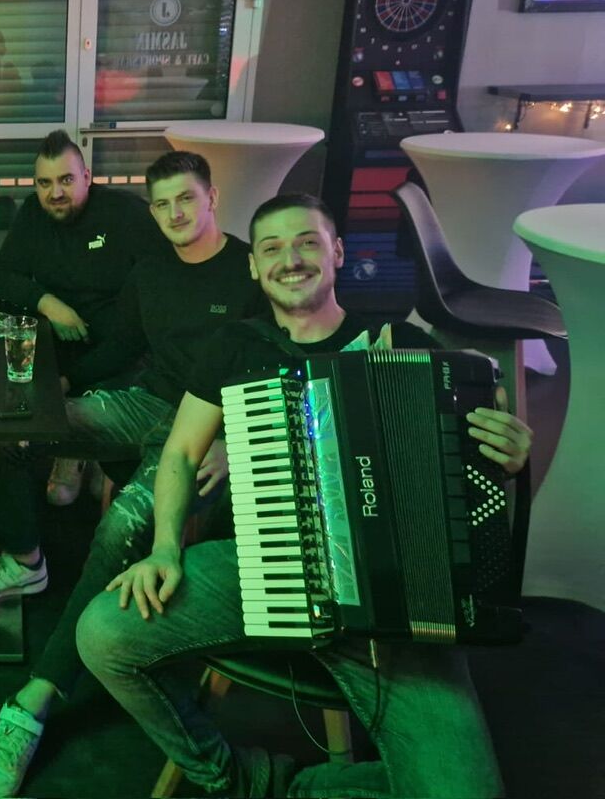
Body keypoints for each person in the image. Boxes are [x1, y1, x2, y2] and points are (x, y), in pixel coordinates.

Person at [76, 194, 532, 799]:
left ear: (337, 252)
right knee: (102, 635)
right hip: (262, 566)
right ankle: (237, 778)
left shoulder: (399, 341)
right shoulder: (236, 347)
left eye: (307, 243)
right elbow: (181, 454)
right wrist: (164, 548)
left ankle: (307, 789)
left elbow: (466, 472)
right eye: (271, 248)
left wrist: (506, 456)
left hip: (397, 608)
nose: (290, 259)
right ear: (254, 266)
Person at [0, 152, 267, 799]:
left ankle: (33, 703)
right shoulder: (151, 270)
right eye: (163, 203)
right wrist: (58, 391)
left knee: (120, 527)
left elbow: (283, 362)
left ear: (212, 197)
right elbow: (123, 345)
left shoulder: (249, 271)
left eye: (187, 198)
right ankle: (24, 559)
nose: (176, 213)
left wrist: (236, 440)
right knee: (17, 429)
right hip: (148, 404)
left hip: (208, 433)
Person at [0, 130, 170, 502]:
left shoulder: (125, 214)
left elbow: (146, 319)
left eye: (66, 180)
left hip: (119, 354)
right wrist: (48, 303)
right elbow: (3, 275)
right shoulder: (33, 213)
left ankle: (77, 454)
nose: (55, 192)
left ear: (87, 177)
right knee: (3, 416)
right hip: (58, 346)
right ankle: (61, 456)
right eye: (45, 183)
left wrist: (70, 380)